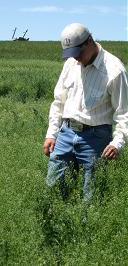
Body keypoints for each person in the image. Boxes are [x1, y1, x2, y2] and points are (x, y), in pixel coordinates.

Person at [43, 23, 128, 201]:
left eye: (78, 53)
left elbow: (124, 113)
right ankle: (55, 226)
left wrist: (117, 143)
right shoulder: (70, 64)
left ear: (89, 40)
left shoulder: (115, 70)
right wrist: (51, 134)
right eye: (70, 54)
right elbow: (59, 101)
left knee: (91, 196)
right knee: (52, 189)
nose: (76, 59)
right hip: (65, 134)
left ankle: (84, 227)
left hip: (96, 139)